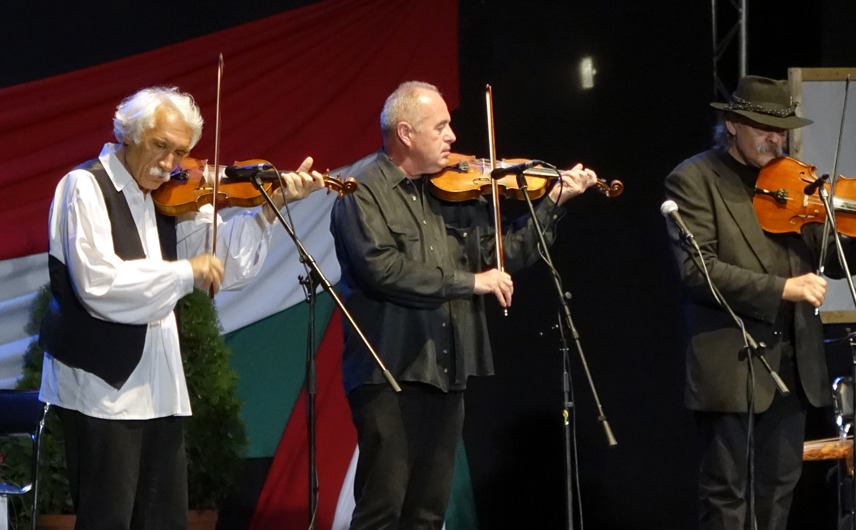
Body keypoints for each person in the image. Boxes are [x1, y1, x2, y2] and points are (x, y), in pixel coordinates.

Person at [38, 86, 326, 528]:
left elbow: (225, 263)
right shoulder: (84, 187)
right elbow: (98, 283)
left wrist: (268, 212)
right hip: (101, 390)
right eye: (160, 146)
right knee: (107, 520)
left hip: (159, 386)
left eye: (180, 152)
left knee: (165, 520)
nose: (169, 163)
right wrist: (184, 272)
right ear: (129, 134)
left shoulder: (173, 194)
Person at [329, 81, 600, 528]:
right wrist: (471, 282)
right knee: (383, 507)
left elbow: (502, 254)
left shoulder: (456, 189)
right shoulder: (361, 189)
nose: (452, 136)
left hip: (448, 364)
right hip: (388, 366)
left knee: (428, 511)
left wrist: (554, 202)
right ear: (405, 133)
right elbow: (383, 269)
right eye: (440, 127)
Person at [663, 75, 856, 530]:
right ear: (732, 125)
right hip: (731, 363)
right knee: (726, 496)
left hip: (794, 365)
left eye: (780, 130)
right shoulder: (694, 179)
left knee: (777, 494)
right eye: (763, 128)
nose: (774, 139)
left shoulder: (794, 181)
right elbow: (698, 271)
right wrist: (783, 288)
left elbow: (829, 257)